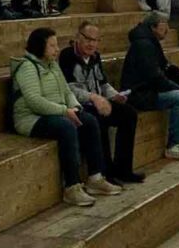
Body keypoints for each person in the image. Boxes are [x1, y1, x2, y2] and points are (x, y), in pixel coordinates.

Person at [11, 26, 121, 207]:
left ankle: (95, 177)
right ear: (40, 47)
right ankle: (72, 186)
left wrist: (75, 107)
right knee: (66, 127)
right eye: (52, 46)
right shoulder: (27, 67)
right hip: (31, 118)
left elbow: (66, 90)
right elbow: (34, 101)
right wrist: (64, 111)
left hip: (56, 112)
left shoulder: (53, 65)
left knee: (89, 120)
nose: (57, 50)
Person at [59, 20, 144, 184]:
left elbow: (103, 83)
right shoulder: (67, 56)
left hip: (99, 102)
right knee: (99, 121)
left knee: (129, 114)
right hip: (81, 105)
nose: (92, 44)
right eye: (88, 39)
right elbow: (69, 89)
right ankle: (107, 172)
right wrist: (93, 97)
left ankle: (123, 169)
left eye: (95, 40)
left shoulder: (95, 56)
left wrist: (114, 95)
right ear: (78, 37)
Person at [121, 12, 179, 161]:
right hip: (140, 94)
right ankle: (173, 146)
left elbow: (167, 67)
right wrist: (177, 88)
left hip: (150, 90)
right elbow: (154, 77)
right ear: (153, 26)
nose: (168, 29)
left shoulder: (150, 41)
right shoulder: (143, 45)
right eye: (164, 25)